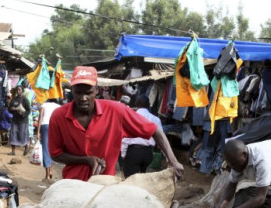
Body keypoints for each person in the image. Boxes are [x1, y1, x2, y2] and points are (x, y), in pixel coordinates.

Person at [48, 66, 184, 181]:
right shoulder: (59, 116)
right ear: (72, 90)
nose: (83, 98)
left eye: (88, 92)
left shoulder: (116, 111)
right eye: (78, 93)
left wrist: (173, 160)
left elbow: (154, 130)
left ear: (96, 89)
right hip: (72, 183)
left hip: (105, 183)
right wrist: (86, 159)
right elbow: (55, 154)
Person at [121, 95, 162, 178]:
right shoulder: (155, 119)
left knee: (131, 179)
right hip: (148, 153)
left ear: (136, 104)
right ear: (149, 104)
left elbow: (125, 138)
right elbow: (161, 138)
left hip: (133, 152)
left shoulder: (130, 117)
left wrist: (123, 153)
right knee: (142, 178)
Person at [36, 97, 61, 181]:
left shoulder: (44, 105)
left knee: (45, 149)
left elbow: (40, 118)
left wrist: (38, 132)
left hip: (45, 126)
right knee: (52, 149)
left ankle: (47, 174)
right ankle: (50, 171)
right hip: (55, 127)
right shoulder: (58, 106)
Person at [8, 85, 31, 156]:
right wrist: (11, 109)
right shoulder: (14, 99)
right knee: (13, 134)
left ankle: (26, 148)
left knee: (22, 135)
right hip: (15, 120)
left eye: (19, 90)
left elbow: (29, 110)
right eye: (17, 90)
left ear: (22, 91)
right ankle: (13, 151)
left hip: (23, 121)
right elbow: (9, 108)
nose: (18, 91)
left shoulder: (25, 100)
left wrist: (23, 113)